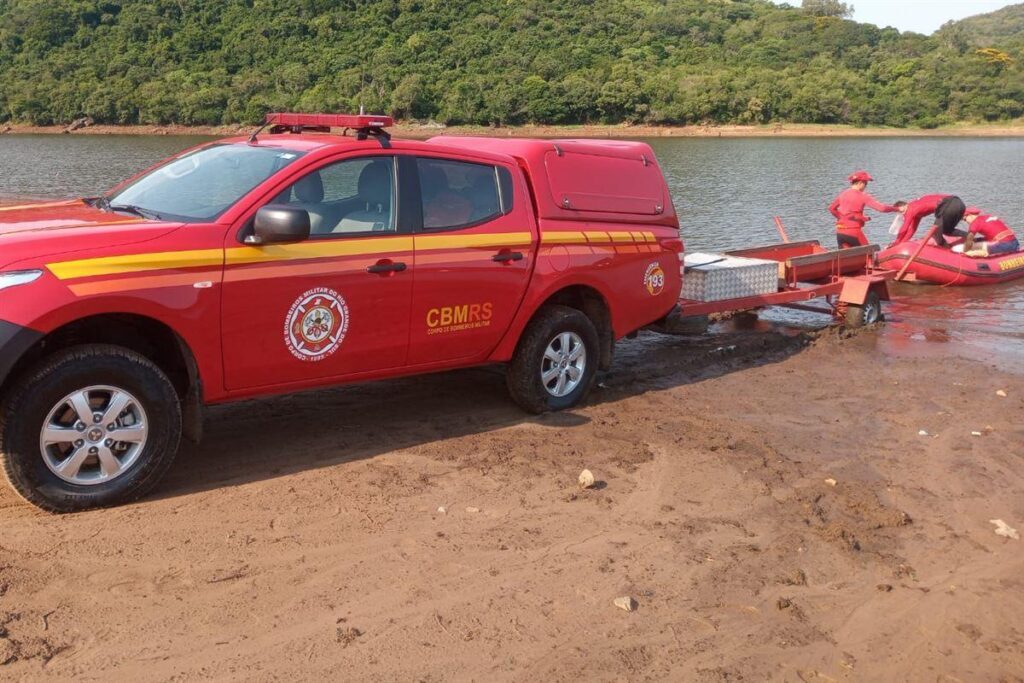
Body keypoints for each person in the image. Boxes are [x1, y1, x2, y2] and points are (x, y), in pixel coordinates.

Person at [829, 171, 900, 248]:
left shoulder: (843, 194)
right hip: (854, 232)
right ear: (860, 183)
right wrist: (896, 209)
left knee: (845, 258)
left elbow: (832, 209)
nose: (866, 186)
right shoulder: (862, 196)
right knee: (869, 254)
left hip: (840, 232)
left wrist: (843, 218)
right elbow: (882, 208)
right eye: (866, 184)